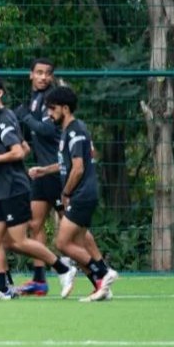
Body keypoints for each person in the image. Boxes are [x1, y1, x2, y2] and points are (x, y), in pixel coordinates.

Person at [0, 86, 76, 301]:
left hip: (13, 188)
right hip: (0, 187)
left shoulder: (3, 121)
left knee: (18, 241)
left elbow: (17, 152)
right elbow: (25, 148)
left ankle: (62, 268)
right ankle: (4, 288)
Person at [13, 60, 105, 295]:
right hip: (43, 172)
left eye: (47, 74)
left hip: (58, 174)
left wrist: (23, 116)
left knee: (74, 233)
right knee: (35, 224)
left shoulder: (52, 102)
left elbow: (44, 130)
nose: (43, 77)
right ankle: (39, 279)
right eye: (39, 73)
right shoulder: (34, 101)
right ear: (30, 74)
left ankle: (100, 275)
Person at [41, 86, 118, 302]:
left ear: (65, 108)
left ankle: (103, 274)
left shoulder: (75, 130)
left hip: (81, 194)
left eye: (52, 108)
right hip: (82, 193)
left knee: (63, 243)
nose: (49, 113)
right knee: (82, 239)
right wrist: (44, 171)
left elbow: (78, 168)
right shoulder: (70, 130)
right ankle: (101, 286)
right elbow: (67, 164)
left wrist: (66, 193)